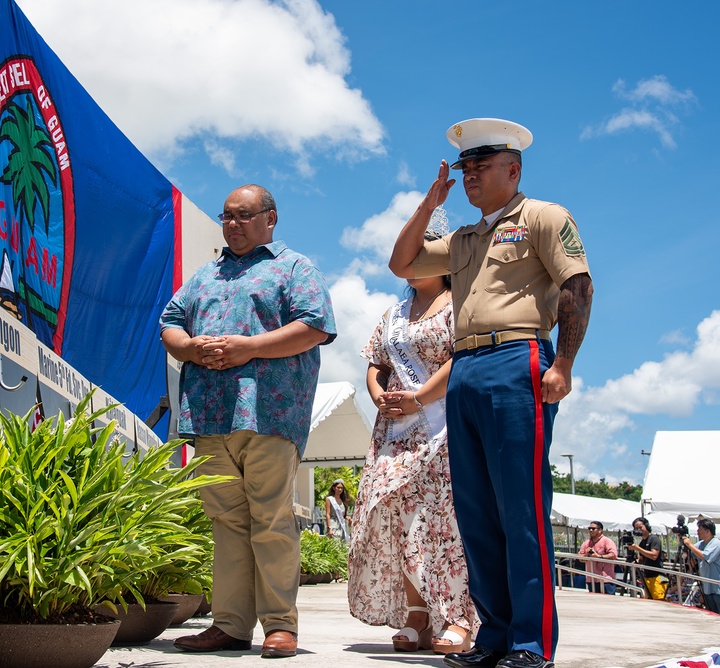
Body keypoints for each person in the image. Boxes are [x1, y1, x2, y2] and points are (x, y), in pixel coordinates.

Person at [389, 118, 594, 668]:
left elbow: (577, 284)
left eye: (482, 166)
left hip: (517, 357)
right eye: (465, 168)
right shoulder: (462, 238)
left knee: (520, 508)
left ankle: (530, 643)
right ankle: (495, 636)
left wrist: (566, 362)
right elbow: (402, 263)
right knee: (474, 509)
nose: (471, 176)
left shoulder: (544, 217)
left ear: (514, 169)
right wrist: (430, 205)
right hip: (466, 366)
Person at [161, 184, 336, 659]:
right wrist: (190, 347)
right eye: (226, 217)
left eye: (242, 216)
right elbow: (170, 323)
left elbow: (315, 325)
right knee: (226, 524)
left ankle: (280, 626)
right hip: (211, 415)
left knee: (272, 519)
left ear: (270, 218)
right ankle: (230, 625)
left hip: (269, 412)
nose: (232, 224)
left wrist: (251, 346)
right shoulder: (205, 275)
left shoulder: (294, 267)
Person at [349, 238, 478, 655]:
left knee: (445, 522)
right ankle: (417, 614)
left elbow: (459, 359)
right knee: (397, 515)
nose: (416, 263)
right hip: (394, 431)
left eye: (427, 255)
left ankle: (459, 617)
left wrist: (419, 397)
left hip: (441, 425)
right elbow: (375, 364)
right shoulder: (394, 315)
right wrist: (377, 396)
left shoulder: (461, 307)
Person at [682, 518, 720, 613]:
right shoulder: (702, 544)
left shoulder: (716, 543)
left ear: (707, 531)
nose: (698, 531)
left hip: (717, 588)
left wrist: (690, 545)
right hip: (707, 587)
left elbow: (705, 556)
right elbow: (691, 551)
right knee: (712, 614)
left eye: (700, 529)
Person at [625, 517, 666, 600]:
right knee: (648, 600)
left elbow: (654, 556)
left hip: (658, 576)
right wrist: (635, 561)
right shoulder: (642, 542)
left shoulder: (654, 539)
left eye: (640, 527)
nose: (639, 530)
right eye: (636, 528)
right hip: (647, 576)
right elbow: (642, 559)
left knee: (659, 600)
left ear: (646, 526)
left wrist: (637, 548)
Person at [578, 521, 618, 594]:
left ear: (600, 530)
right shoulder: (586, 543)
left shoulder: (607, 541)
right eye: (589, 528)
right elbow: (580, 557)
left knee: (609, 603)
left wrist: (599, 556)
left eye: (593, 529)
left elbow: (614, 555)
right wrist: (586, 555)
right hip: (591, 579)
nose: (590, 530)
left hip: (606, 580)